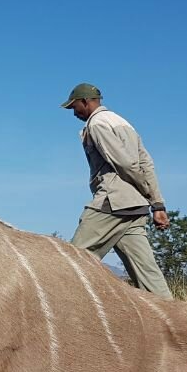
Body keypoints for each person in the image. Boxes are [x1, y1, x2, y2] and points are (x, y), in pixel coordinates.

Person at [61, 83, 173, 299]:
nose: (74, 113)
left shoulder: (98, 124)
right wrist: (157, 204)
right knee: (149, 278)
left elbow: (126, 164)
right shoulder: (124, 123)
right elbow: (147, 164)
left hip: (113, 203)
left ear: (86, 101)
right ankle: (177, 323)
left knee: (71, 260)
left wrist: (147, 192)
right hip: (134, 208)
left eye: (74, 107)